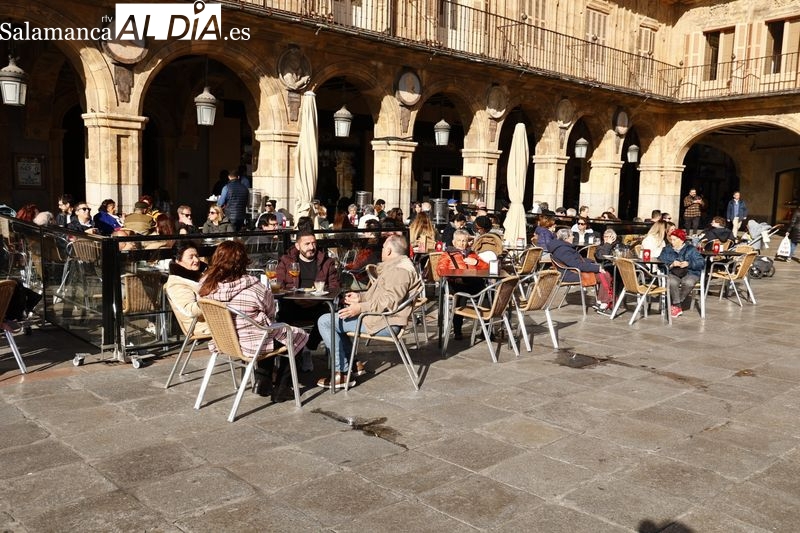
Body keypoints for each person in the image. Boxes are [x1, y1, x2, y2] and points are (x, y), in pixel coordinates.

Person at [198, 240, 308, 401]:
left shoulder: (206, 286)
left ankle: (263, 381)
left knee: (268, 331)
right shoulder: (254, 288)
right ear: (243, 262)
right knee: (295, 334)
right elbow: (270, 312)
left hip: (224, 341)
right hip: (252, 344)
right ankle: (282, 388)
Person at [317, 234, 421, 388]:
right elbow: (382, 296)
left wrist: (360, 308)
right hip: (379, 318)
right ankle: (353, 365)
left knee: (326, 321)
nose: (382, 250)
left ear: (390, 251)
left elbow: (389, 302)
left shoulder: (399, 271)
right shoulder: (397, 266)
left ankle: (342, 373)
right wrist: (360, 297)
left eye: (384, 247)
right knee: (337, 319)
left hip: (385, 323)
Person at [276, 231, 340, 356]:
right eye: (307, 244)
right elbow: (279, 286)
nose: (312, 247)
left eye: (314, 243)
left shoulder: (327, 262)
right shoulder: (286, 261)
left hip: (317, 305)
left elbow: (335, 288)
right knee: (282, 318)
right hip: (293, 304)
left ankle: (308, 347)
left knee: (329, 316)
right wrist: (295, 298)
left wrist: (314, 299)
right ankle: (288, 360)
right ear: (298, 246)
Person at [436, 229, 489, 339]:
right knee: (461, 296)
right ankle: (457, 330)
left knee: (487, 295)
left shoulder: (473, 254)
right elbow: (440, 270)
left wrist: (477, 263)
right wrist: (453, 274)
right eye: (459, 240)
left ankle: (487, 330)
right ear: (454, 242)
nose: (462, 243)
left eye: (464, 241)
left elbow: (488, 268)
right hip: (456, 283)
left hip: (472, 282)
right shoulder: (447, 255)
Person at [547, 228, 614, 312]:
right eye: (571, 235)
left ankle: (600, 301)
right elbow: (577, 265)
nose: (573, 237)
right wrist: (597, 268)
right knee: (604, 275)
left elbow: (576, 261)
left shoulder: (561, 247)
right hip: (570, 274)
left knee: (603, 273)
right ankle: (604, 302)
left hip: (571, 271)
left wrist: (592, 262)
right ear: (566, 238)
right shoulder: (563, 249)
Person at [164, 241, 210, 338]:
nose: (196, 260)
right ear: (178, 260)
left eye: (197, 256)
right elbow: (190, 310)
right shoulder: (176, 283)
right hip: (201, 325)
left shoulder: (202, 273)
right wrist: (215, 300)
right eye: (191, 257)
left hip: (215, 318)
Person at [659, 228, 704, 318]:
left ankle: (676, 304)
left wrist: (689, 264)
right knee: (672, 282)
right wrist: (671, 264)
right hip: (674, 272)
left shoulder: (691, 249)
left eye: (674, 240)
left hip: (690, 272)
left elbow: (701, 262)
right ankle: (677, 305)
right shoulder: (667, 249)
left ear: (682, 240)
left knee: (688, 282)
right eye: (671, 239)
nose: (672, 242)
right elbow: (660, 261)